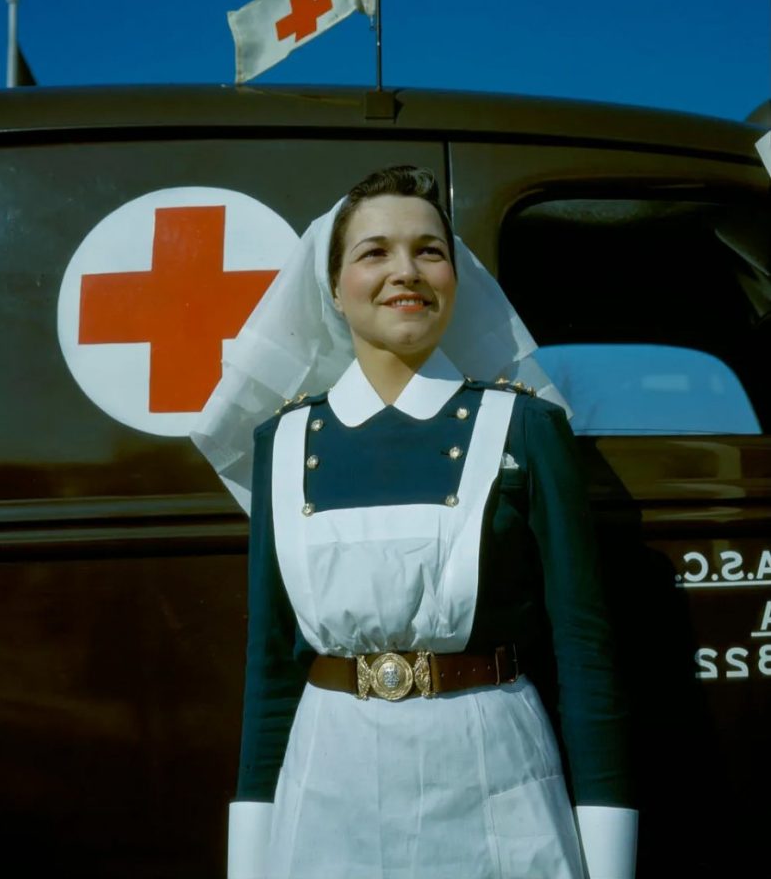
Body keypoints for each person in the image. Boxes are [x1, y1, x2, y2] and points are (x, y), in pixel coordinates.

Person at [192, 166, 638, 879]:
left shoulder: (524, 427)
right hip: (327, 790)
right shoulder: (282, 443)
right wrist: (251, 854)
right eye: (374, 252)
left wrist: (609, 856)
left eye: (430, 250)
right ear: (333, 288)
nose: (406, 271)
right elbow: (273, 669)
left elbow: (586, 656)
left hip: (498, 786)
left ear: (457, 279)